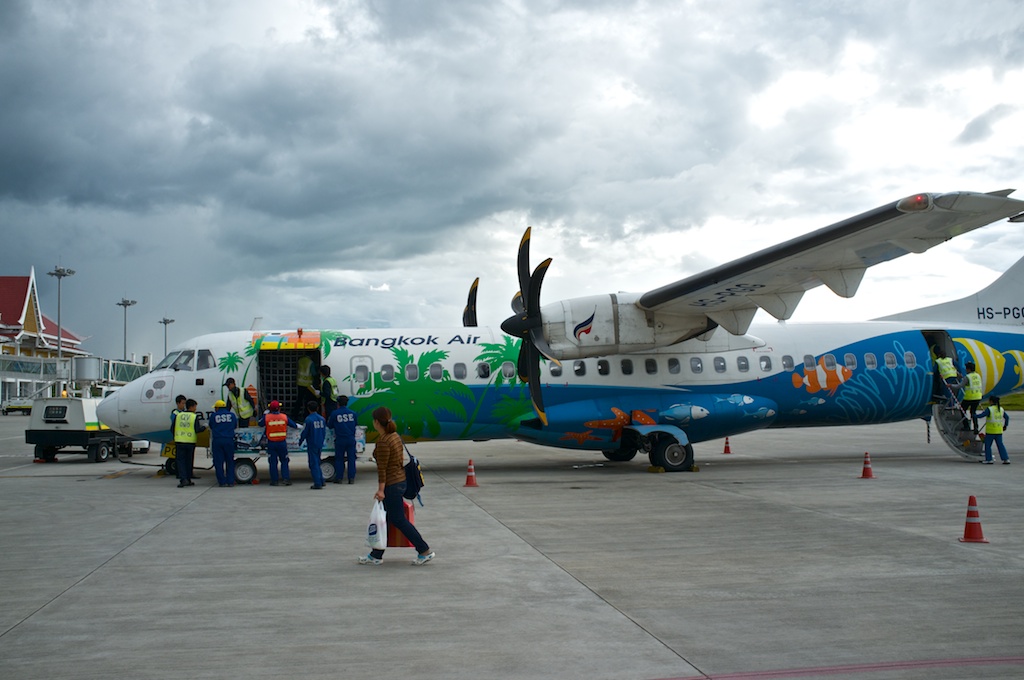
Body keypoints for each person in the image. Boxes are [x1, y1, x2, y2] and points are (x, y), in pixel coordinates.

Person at [359, 406, 434, 566]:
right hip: (400, 481)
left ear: (376, 422)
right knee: (385, 518)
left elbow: (382, 468)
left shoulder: (384, 441)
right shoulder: (394, 436)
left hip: (392, 484)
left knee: (398, 519)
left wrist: (381, 490)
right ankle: (376, 554)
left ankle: (424, 550)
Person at [258, 400, 299, 486]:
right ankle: (286, 479)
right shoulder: (284, 417)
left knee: (273, 462)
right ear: (279, 409)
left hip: (271, 443)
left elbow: (260, 424)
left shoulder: (267, 417)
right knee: (284, 461)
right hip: (282, 443)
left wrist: (265, 414)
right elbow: (294, 425)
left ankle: (274, 481)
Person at [171, 398, 207, 488]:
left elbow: (172, 429)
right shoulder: (194, 417)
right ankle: (188, 479)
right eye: (195, 407)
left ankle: (183, 479)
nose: (195, 409)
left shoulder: (178, 416)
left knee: (181, 461)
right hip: (190, 442)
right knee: (189, 461)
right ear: (192, 406)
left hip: (179, 442)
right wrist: (204, 427)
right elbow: (197, 430)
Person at [328, 395, 358, 484]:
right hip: (351, 438)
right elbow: (356, 424)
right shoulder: (353, 413)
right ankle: (351, 478)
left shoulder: (335, 413)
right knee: (351, 459)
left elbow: (330, 425)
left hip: (340, 439)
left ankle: (339, 478)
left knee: (339, 459)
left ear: (338, 403)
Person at [299, 399, 327, 489]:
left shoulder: (308, 420)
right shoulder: (322, 419)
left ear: (308, 409)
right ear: (317, 408)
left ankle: (317, 483)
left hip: (312, 443)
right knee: (317, 462)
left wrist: (300, 441)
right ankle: (321, 480)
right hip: (320, 443)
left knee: (313, 464)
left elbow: (305, 432)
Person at [209, 399, 238, 487]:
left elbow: (211, 426)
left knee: (219, 462)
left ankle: (222, 481)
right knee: (230, 461)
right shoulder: (232, 415)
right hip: (229, 440)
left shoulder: (214, 416)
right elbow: (234, 426)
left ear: (217, 408)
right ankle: (230, 481)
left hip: (218, 440)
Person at [978, 395, 1011, 464]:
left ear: (991, 401)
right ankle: (1006, 459)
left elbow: (981, 416)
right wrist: (1005, 426)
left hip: (991, 431)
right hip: (999, 430)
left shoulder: (990, 409)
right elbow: (1007, 418)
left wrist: (974, 415)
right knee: (1000, 445)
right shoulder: (1001, 409)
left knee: (988, 445)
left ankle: (989, 459)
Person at [959, 361, 984, 434]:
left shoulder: (967, 377)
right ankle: (976, 427)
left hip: (969, 397)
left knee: (962, 410)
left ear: (969, 369)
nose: (966, 370)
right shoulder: (977, 375)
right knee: (973, 412)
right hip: (977, 397)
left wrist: (950, 386)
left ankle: (966, 426)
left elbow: (960, 386)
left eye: (966, 368)